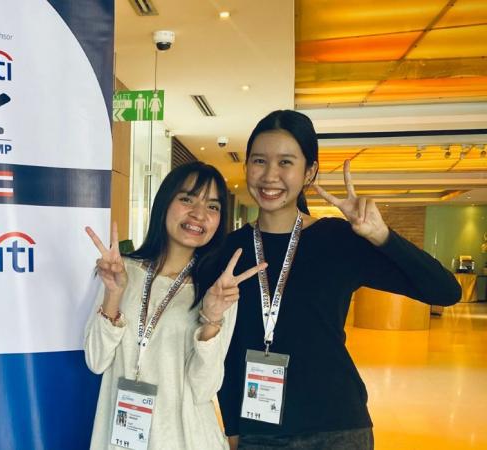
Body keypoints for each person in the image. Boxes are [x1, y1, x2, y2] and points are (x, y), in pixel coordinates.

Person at [217, 110, 461, 449]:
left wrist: (382, 236)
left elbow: (445, 290)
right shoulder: (230, 249)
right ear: (246, 166)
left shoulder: (338, 240)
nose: (270, 175)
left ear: (310, 171)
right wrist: (231, 426)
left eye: (286, 162)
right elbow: (226, 350)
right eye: (259, 160)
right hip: (259, 431)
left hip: (337, 429)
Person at [83, 161, 266, 450]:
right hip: (121, 438)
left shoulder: (218, 291)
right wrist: (115, 294)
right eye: (187, 199)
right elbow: (96, 361)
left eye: (213, 207)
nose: (198, 214)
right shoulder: (120, 272)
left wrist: (212, 320)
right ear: (165, 202)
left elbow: (204, 388)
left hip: (186, 438)